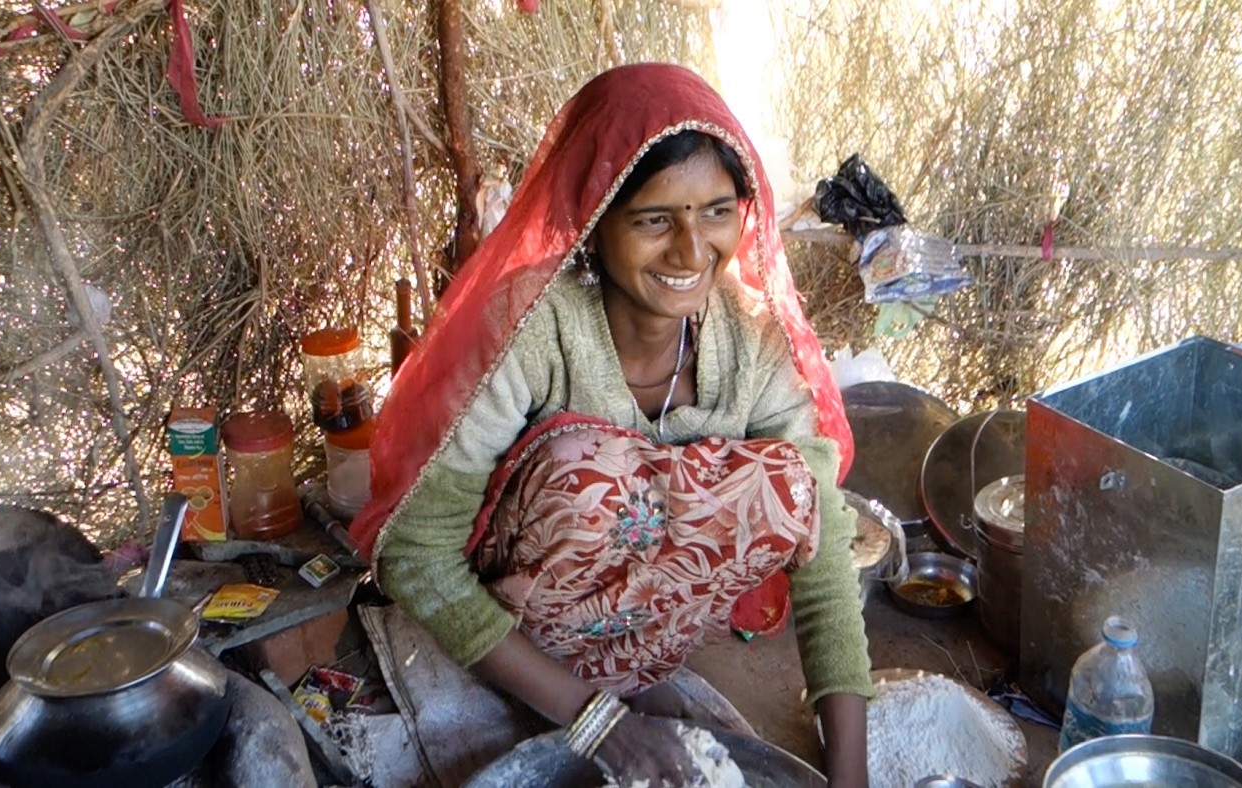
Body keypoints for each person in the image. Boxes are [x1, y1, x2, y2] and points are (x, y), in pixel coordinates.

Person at [350, 63, 871, 787]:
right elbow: (415, 553)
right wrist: (597, 722)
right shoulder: (533, 330)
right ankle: (547, 685)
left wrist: (851, 776)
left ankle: (632, 668)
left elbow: (824, 554)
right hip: (522, 617)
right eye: (656, 219)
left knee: (791, 487)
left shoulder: (749, 338)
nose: (692, 253)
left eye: (717, 212)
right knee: (592, 476)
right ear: (596, 222)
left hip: (644, 632)